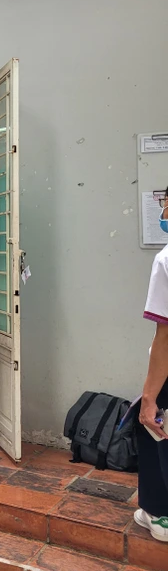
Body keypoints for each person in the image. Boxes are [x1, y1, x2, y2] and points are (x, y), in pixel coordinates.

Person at [135, 188, 168, 542]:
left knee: (154, 431)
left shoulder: (165, 259)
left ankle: (160, 516)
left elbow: (165, 336)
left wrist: (149, 397)